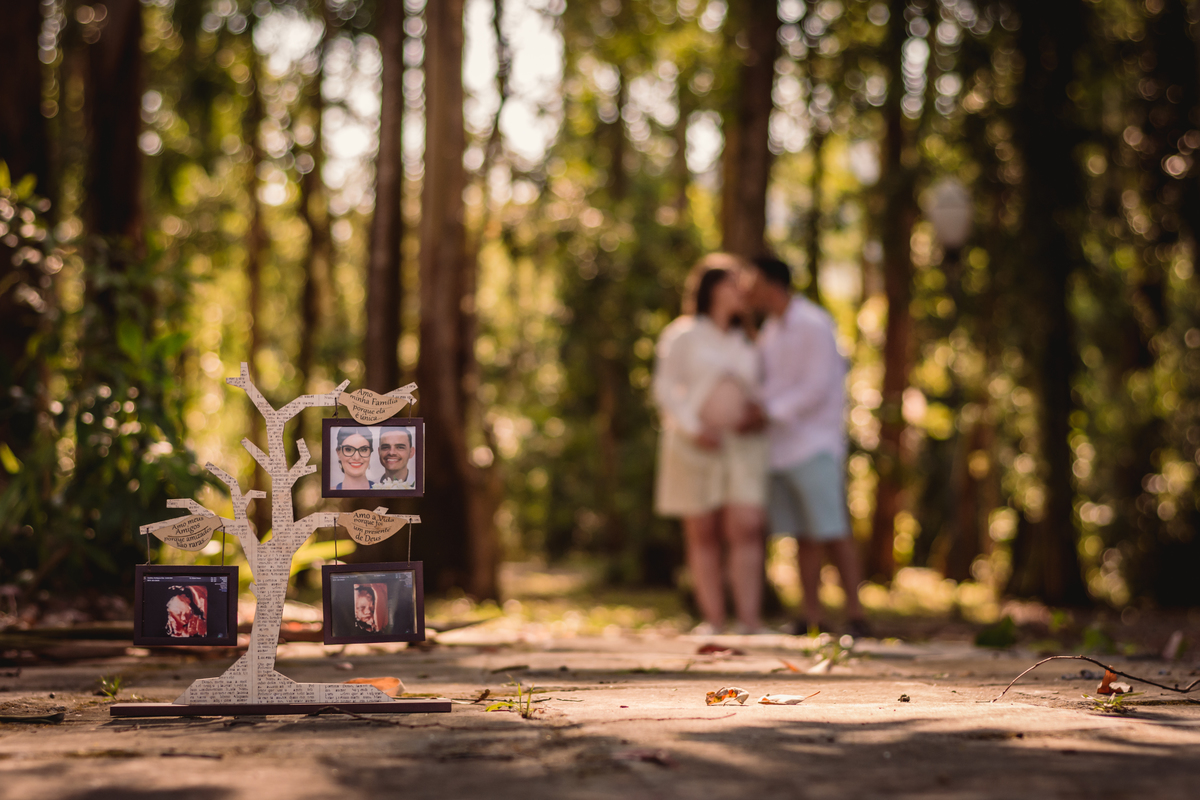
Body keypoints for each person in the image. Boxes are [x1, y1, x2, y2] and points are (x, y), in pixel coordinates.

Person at [742, 255, 869, 638]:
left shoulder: (813, 323)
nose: (748, 289)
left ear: (771, 283)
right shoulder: (772, 330)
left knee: (832, 529)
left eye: (753, 281)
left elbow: (817, 385)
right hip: (782, 446)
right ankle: (811, 614)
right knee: (803, 532)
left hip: (814, 443)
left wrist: (768, 412)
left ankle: (856, 613)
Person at [653, 253, 770, 635]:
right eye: (734, 281)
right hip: (694, 445)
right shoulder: (683, 334)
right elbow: (666, 389)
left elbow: (763, 389)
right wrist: (693, 429)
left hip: (741, 445)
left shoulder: (749, 339)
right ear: (712, 288)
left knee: (747, 526)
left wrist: (757, 412)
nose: (743, 289)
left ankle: (750, 621)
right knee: (702, 530)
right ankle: (714, 620)